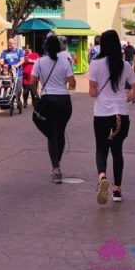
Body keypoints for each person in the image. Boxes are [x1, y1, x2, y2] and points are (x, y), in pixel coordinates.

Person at [89, 30, 135, 204]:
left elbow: (92, 92)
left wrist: (97, 92)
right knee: (117, 150)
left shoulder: (95, 64)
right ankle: (117, 191)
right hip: (121, 114)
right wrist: (124, 98)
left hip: (102, 114)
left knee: (101, 149)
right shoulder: (125, 65)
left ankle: (102, 177)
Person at [31, 34, 76, 183]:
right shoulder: (65, 62)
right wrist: (63, 81)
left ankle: (56, 169)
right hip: (64, 101)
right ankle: (57, 164)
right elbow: (73, 84)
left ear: (45, 47)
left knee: (52, 134)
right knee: (60, 132)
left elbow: (32, 82)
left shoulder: (39, 62)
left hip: (48, 99)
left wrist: (36, 96)